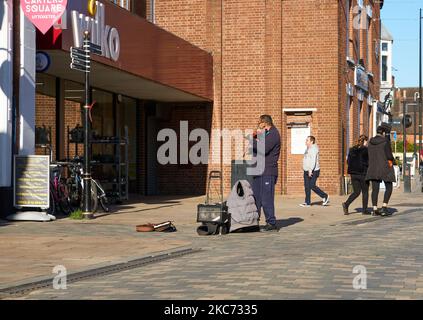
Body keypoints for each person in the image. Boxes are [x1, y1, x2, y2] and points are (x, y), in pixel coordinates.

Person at [251, 115, 281, 232]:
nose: (258, 124)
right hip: (258, 170)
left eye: (259, 122)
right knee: (256, 198)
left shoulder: (273, 134)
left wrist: (252, 140)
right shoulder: (265, 134)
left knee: (266, 198)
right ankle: (254, 221)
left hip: (267, 171)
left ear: (264, 123)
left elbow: (263, 149)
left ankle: (271, 222)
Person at [365, 125, 396, 216]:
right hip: (384, 168)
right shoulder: (385, 141)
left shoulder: (370, 142)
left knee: (375, 189)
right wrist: (393, 161)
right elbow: (389, 156)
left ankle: (374, 209)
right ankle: (384, 207)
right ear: (383, 133)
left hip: (373, 168)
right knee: (389, 187)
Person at [342, 135, 369, 215]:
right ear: (365, 141)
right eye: (366, 141)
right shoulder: (366, 150)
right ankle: (364, 210)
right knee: (365, 191)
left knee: (356, 192)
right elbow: (368, 162)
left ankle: (346, 204)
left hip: (353, 174)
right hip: (362, 173)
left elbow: (348, 162)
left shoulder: (351, 150)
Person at [300, 136, 329, 207]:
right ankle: (307, 202)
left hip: (313, 170)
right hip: (306, 170)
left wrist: (310, 170)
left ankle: (325, 196)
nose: (305, 142)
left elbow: (313, 160)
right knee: (307, 186)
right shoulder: (308, 149)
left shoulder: (313, 149)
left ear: (311, 141)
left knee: (312, 185)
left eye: (307, 140)